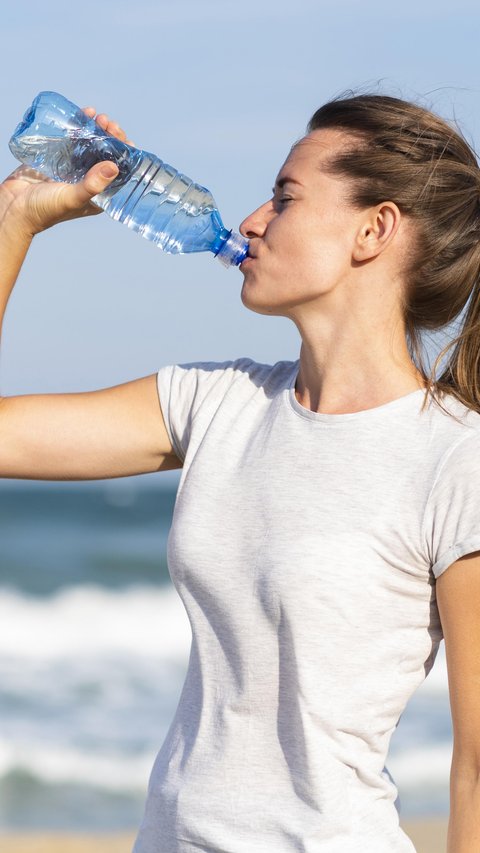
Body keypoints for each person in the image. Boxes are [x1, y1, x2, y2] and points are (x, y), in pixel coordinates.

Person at [1, 92, 480, 853]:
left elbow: (477, 768)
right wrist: (16, 218)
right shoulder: (217, 401)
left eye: (286, 197)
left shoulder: (456, 458)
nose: (253, 219)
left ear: (374, 229)